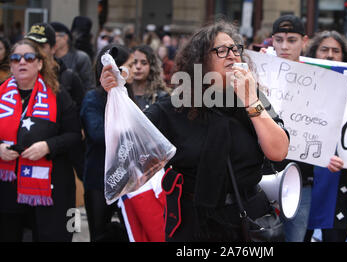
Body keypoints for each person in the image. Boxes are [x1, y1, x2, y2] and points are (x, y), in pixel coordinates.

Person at [101, 20, 290, 241]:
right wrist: (117, 94)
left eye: (235, 48)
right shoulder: (174, 108)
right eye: (221, 50)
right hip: (194, 223)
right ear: (200, 61)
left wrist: (251, 101)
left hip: (247, 219)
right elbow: (128, 141)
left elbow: (278, 151)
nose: (232, 55)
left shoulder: (252, 97)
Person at [261, 16, 344, 242]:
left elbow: (322, 126)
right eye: (279, 40)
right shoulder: (258, 73)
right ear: (272, 41)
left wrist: (325, 154)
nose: (285, 46)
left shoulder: (318, 79)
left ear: (304, 41)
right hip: (260, 173)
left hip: (300, 178)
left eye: (291, 40)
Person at [0, 39, 82, 241]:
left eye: (29, 58)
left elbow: (74, 135)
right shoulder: (1, 93)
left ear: (40, 63)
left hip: (49, 188)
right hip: (7, 188)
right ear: (10, 64)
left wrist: (48, 146)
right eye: (15, 58)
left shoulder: (58, 95)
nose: (22, 62)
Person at [303, 30, 347, 242]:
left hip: (339, 176)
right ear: (314, 53)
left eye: (336, 51)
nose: (330, 55)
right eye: (324, 50)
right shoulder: (300, 84)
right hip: (305, 176)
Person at [80, 44, 134, 242]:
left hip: (126, 179)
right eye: (130, 65)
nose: (134, 69)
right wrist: (129, 132)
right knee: (99, 233)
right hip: (98, 179)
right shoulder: (93, 98)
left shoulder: (128, 95)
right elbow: (96, 133)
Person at [24, 23, 86, 180]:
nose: (35, 50)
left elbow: (79, 130)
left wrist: (49, 145)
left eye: (41, 45)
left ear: (53, 47)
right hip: (23, 162)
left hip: (59, 164)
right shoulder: (15, 82)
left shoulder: (68, 79)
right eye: (31, 45)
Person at [50, 22, 95, 92]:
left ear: (65, 37)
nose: (51, 41)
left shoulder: (80, 58)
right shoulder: (48, 58)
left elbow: (88, 86)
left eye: (54, 37)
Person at [131, 45, 170, 112]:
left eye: (144, 63)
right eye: (134, 62)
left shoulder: (161, 97)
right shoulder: (122, 94)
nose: (138, 66)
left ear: (151, 67)